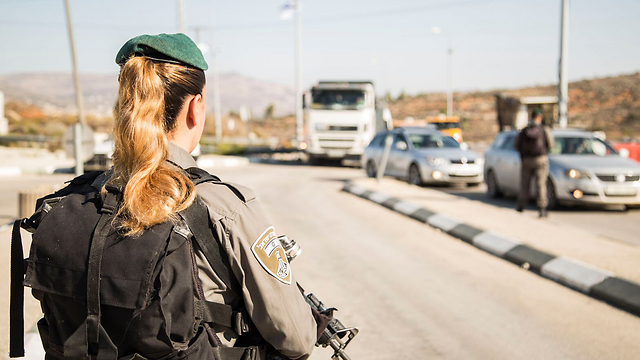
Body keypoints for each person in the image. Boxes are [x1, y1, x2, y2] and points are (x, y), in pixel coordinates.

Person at [22, 33, 317, 360]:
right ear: (195, 108)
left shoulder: (81, 197)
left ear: (124, 108)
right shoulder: (225, 207)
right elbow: (296, 338)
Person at [514, 108, 555, 217]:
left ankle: (521, 206)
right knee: (541, 184)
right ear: (540, 118)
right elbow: (551, 145)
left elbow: (516, 146)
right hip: (540, 160)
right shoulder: (544, 130)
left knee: (524, 184)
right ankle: (542, 208)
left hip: (526, 160)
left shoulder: (524, 130)